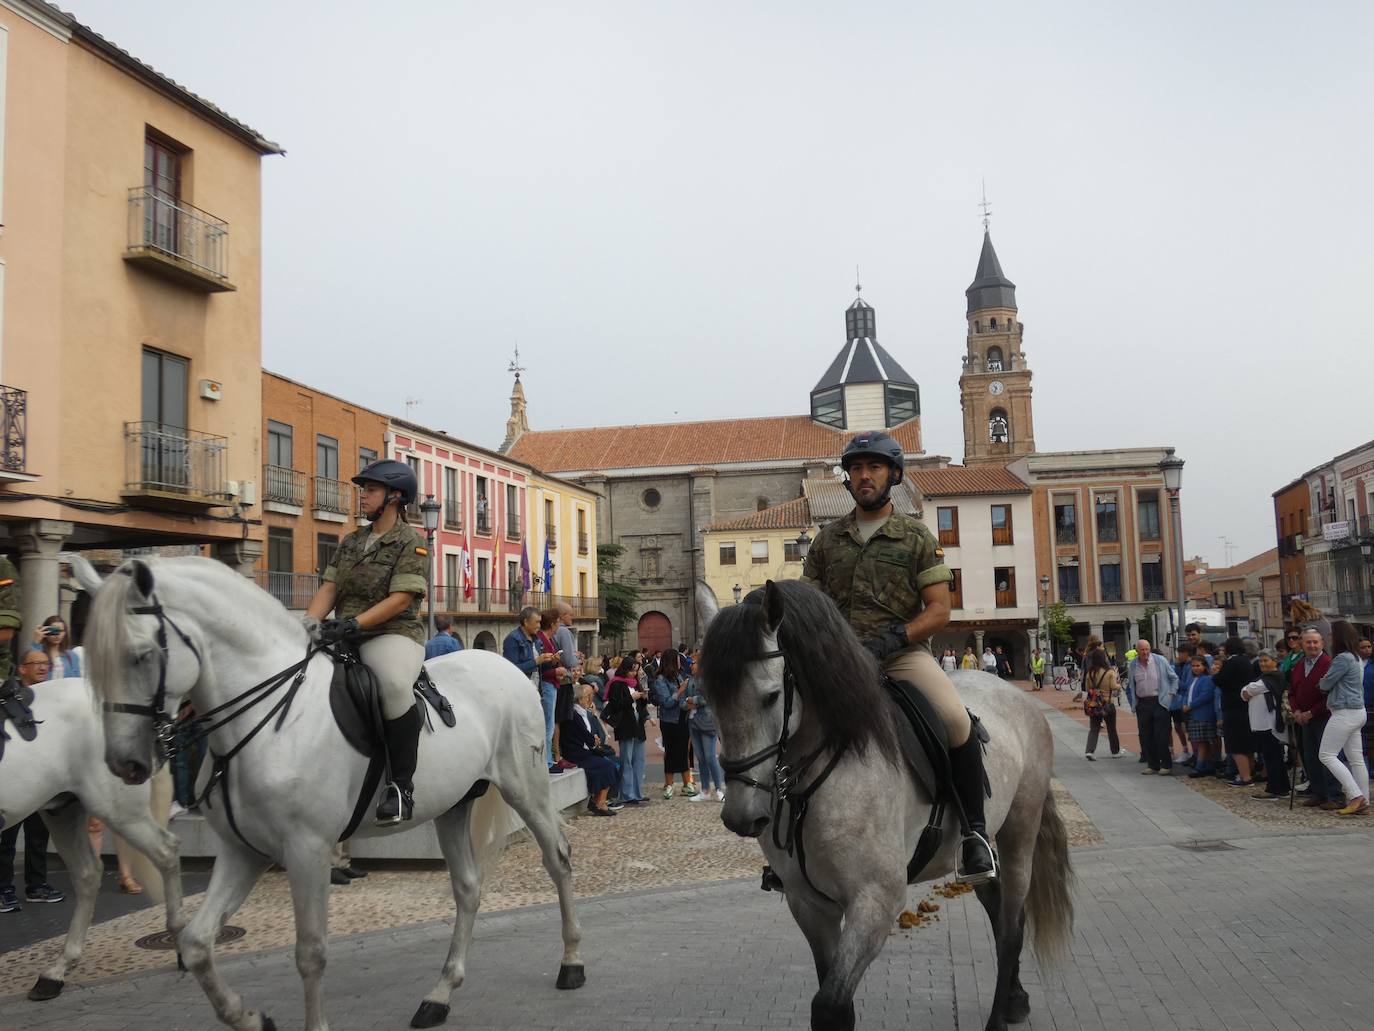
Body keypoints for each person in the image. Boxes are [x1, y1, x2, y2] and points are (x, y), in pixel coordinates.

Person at [800, 430, 995, 882]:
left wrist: (893, 638)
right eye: (856, 469)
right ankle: (788, 841)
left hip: (901, 655)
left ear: (893, 475)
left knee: (955, 721)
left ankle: (975, 835)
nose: (864, 476)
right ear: (847, 479)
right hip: (841, 661)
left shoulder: (916, 538)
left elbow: (940, 609)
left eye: (873, 467)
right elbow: (810, 603)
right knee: (787, 722)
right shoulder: (827, 541)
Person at [303, 459, 431, 824]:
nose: (363, 496)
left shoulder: (412, 543)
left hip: (391, 634)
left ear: (395, 497)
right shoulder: (352, 541)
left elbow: (401, 598)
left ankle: (401, 787)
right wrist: (310, 624)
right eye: (364, 490)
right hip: (343, 631)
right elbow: (330, 586)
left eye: (370, 490)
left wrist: (352, 624)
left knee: (392, 685)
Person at [0, 651, 67, 911]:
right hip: (18, 776)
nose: (41, 668)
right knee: (7, 837)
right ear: (22, 668)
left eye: (44, 663)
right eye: (35, 663)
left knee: (38, 834)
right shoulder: (10, 696)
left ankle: (36, 886)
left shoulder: (54, 699)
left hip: (44, 777)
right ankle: (3, 888)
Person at [1317, 620, 1369, 816]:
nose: (1329, 638)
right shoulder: (1355, 657)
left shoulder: (1342, 659)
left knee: (1326, 755)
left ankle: (1355, 796)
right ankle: (1364, 800)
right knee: (1356, 759)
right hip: (1357, 711)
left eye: (1331, 635)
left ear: (1338, 637)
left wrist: (1322, 682)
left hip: (1344, 712)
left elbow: (1325, 684)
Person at [1290, 628, 1337, 809]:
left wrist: (1312, 712)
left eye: (1315, 642)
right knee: (1310, 757)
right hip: (1304, 719)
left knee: (1327, 757)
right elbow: (1293, 691)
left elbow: (1330, 695)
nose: (1312, 645)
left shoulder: (1328, 663)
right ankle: (1319, 793)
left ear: (1322, 644)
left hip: (1324, 717)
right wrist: (1296, 711)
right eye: (1308, 642)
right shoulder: (1300, 665)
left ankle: (1334, 794)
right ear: (1302, 644)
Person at [560, 684, 622, 816]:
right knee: (608, 765)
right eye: (587, 697)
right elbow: (584, 734)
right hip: (576, 753)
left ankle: (597, 800)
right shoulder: (574, 714)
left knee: (611, 762)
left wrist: (593, 738)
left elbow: (587, 734)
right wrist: (593, 739)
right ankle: (600, 802)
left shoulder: (581, 712)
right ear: (579, 699)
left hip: (583, 750)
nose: (589, 699)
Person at [1124, 639, 1179, 774]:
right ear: (1137, 651)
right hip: (1142, 703)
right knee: (1146, 735)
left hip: (1159, 702)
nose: (1145, 652)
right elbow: (1131, 685)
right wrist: (1133, 702)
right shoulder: (1133, 664)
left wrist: (1170, 694)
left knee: (1161, 735)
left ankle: (1166, 765)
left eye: (1147, 649)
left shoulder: (1160, 660)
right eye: (1142, 650)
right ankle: (1152, 764)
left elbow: (1174, 678)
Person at [1243, 650, 1291, 800]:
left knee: (1273, 757)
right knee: (1271, 756)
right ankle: (1282, 787)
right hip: (1263, 723)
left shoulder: (1274, 677)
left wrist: (1247, 691)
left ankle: (1275, 789)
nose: (1263, 664)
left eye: (1266, 661)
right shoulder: (1264, 678)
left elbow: (1251, 689)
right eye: (1261, 661)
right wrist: (1246, 691)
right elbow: (1244, 693)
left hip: (1270, 723)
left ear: (1275, 661)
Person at [603, 655, 650, 804]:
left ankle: (637, 792)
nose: (634, 674)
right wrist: (633, 698)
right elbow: (616, 704)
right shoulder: (617, 684)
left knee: (639, 759)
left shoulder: (636, 683)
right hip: (625, 724)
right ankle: (627, 793)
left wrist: (643, 697)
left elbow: (642, 706)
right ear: (625, 670)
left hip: (637, 722)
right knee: (627, 759)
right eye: (632, 671)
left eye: (636, 671)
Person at [1212, 637, 1258, 787]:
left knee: (1236, 745)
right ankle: (1248, 773)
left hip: (1233, 707)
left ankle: (1245, 777)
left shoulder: (1231, 662)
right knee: (1247, 744)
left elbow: (1219, 680)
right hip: (1245, 706)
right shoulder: (1246, 661)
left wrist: (1215, 674)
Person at [652, 649, 697, 798]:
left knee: (684, 750)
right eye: (677, 660)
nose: (680, 662)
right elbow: (666, 702)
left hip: (682, 718)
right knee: (670, 752)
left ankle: (686, 783)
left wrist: (689, 701)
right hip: (669, 720)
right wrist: (680, 691)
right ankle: (669, 784)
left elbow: (683, 699)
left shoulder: (678, 676)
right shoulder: (660, 680)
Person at [685, 667, 724, 802]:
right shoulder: (689, 680)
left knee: (710, 756)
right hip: (692, 720)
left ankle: (719, 789)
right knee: (701, 758)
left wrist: (691, 700)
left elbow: (707, 698)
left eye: (695, 663)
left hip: (707, 721)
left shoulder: (709, 679)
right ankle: (705, 789)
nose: (691, 665)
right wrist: (687, 702)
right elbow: (684, 700)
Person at [553, 602, 582, 768]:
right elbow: (570, 660)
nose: (572, 617)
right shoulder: (564, 632)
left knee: (556, 718)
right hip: (563, 681)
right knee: (560, 719)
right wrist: (578, 659)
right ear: (562, 616)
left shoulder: (553, 633)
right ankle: (559, 754)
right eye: (570, 614)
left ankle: (557, 753)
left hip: (556, 679)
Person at [1181, 655, 1219, 777]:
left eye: (1198, 666)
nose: (1195, 668)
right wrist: (1184, 704)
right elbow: (1187, 692)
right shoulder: (1193, 679)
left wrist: (1190, 705)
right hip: (1193, 714)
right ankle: (1205, 764)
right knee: (1200, 742)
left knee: (1203, 742)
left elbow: (1205, 696)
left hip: (1203, 714)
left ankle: (1202, 766)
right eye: (1193, 666)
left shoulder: (1208, 679)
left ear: (1204, 666)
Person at [1081, 649, 1121, 760]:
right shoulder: (1110, 672)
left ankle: (1090, 751)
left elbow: (1088, 687)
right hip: (1108, 703)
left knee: (1094, 728)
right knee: (1111, 728)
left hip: (1094, 703)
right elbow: (1114, 686)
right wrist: (1119, 685)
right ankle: (1115, 751)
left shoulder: (1090, 672)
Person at [1170, 645, 1195, 765]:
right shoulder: (1182, 665)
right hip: (1181, 700)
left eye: (1180, 653)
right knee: (1180, 726)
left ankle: (1191, 753)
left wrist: (1176, 681)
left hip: (1184, 701)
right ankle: (1189, 753)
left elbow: (1184, 684)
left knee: (1186, 728)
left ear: (1186, 654)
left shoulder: (1189, 666)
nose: (1178, 656)